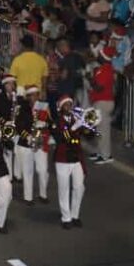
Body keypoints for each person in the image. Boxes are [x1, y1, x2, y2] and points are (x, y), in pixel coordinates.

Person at [53, 96, 86, 229]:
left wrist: (87, 125)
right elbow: (62, 138)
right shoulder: (56, 121)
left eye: (70, 104)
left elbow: (86, 134)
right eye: (66, 105)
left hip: (76, 158)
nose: (69, 107)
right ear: (61, 108)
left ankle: (75, 214)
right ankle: (66, 217)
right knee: (64, 189)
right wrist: (73, 128)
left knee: (79, 187)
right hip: (62, 159)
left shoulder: (75, 119)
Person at [88, 45, 116, 164]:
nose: (98, 55)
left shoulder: (105, 69)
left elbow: (99, 87)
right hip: (101, 101)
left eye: (100, 54)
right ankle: (100, 152)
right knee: (99, 129)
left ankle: (106, 155)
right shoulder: (103, 68)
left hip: (103, 102)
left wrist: (90, 80)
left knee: (103, 130)